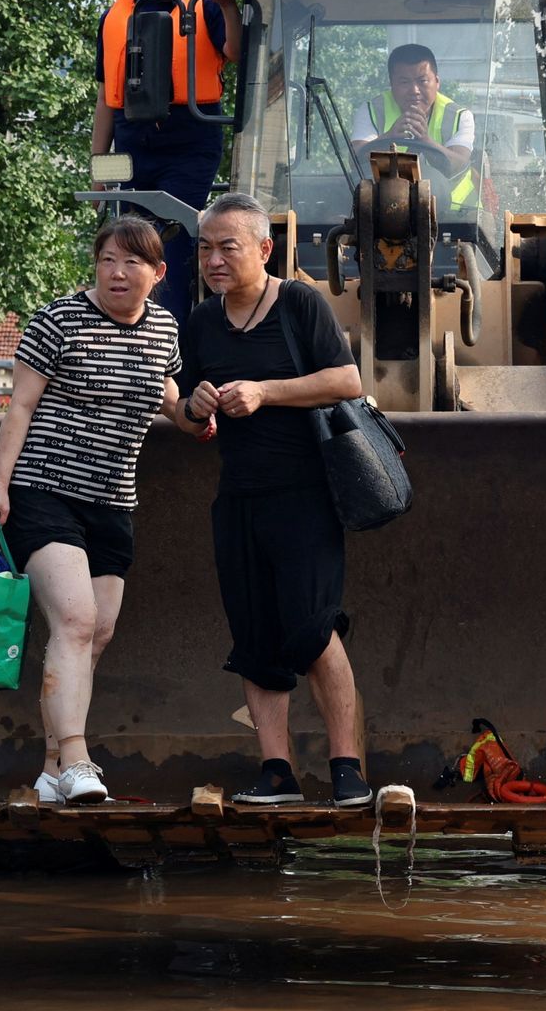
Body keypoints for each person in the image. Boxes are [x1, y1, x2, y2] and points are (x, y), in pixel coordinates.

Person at [0, 217, 183, 805]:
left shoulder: (165, 328)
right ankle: (79, 759)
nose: (118, 272)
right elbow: (19, 408)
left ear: (158, 274)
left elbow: (164, 392)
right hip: (44, 492)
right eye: (108, 259)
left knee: (97, 633)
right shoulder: (58, 319)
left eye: (133, 262)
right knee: (75, 620)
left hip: (113, 502)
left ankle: (50, 769)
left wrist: (198, 415)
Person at [172, 192, 372, 808]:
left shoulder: (300, 303)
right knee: (255, 639)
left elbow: (347, 381)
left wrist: (265, 391)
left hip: (304, 494)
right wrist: (193, 408)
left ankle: (347, 770)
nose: (213, 260)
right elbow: (185, 417)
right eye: (205, 248)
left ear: (263, 248)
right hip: (238, 498)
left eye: (227, 247)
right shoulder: (202, 322)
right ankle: (277, 772)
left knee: (313, 630)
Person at [92, 0, 242, 323]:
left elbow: (235, 53)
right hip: (133, 143)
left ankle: (168, 346)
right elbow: (107, 96)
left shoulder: (204, 2)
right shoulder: (114, 16)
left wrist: (228, 5)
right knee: (127, 244)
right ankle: (130, 333)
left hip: (191, 138)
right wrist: (98, 168)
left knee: (167, 244)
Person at [348, 43, 478, 212]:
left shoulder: (459, 116)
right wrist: (389, 136)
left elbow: (458, 164)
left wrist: (425, 140)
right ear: (392, 84)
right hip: (381, 216)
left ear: (437, 82)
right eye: (404, 82)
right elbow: (354, 160)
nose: (414, 90)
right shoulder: (372, 110)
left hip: (457, 216)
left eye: (422, 81)